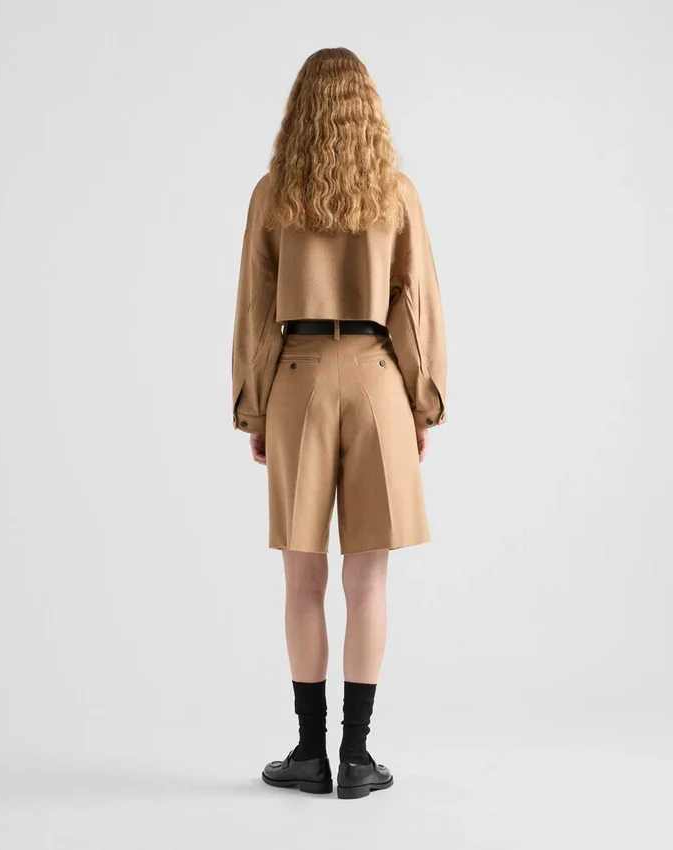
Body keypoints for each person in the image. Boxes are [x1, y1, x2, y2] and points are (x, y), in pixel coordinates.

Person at [231, 47, 447, 799]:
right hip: (379, 378)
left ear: (300, 111)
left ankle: (308, 752)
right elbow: (415, 303)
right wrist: (420, 402)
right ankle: (357, 756)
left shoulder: (273, 193)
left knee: (303, 575)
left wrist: (256, 407)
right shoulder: (396, 192)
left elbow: (257, 310)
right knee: (368, 577)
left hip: (297, 379)